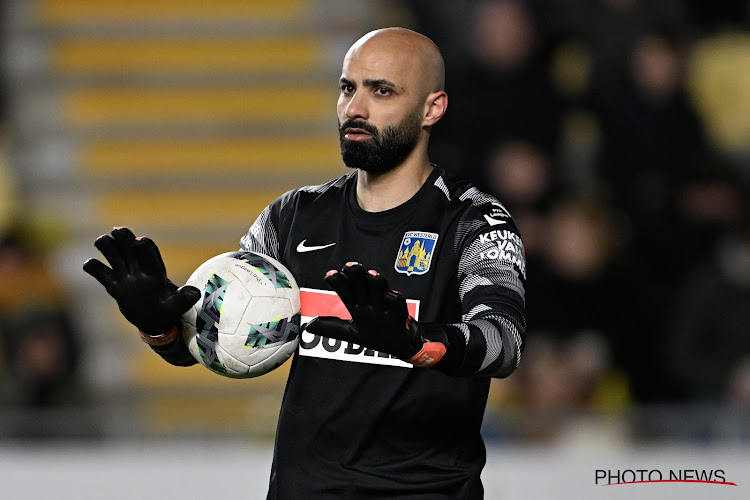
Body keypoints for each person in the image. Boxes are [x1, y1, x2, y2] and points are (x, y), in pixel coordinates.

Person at [83, 27, 527, 499]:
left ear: (431, 108)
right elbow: (222, 347)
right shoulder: (292, 216)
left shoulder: (476, 222)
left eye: (381, 91)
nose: (355, 108)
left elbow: (504, 342)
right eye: (347, 87)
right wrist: (163, 328)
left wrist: (416, 343)